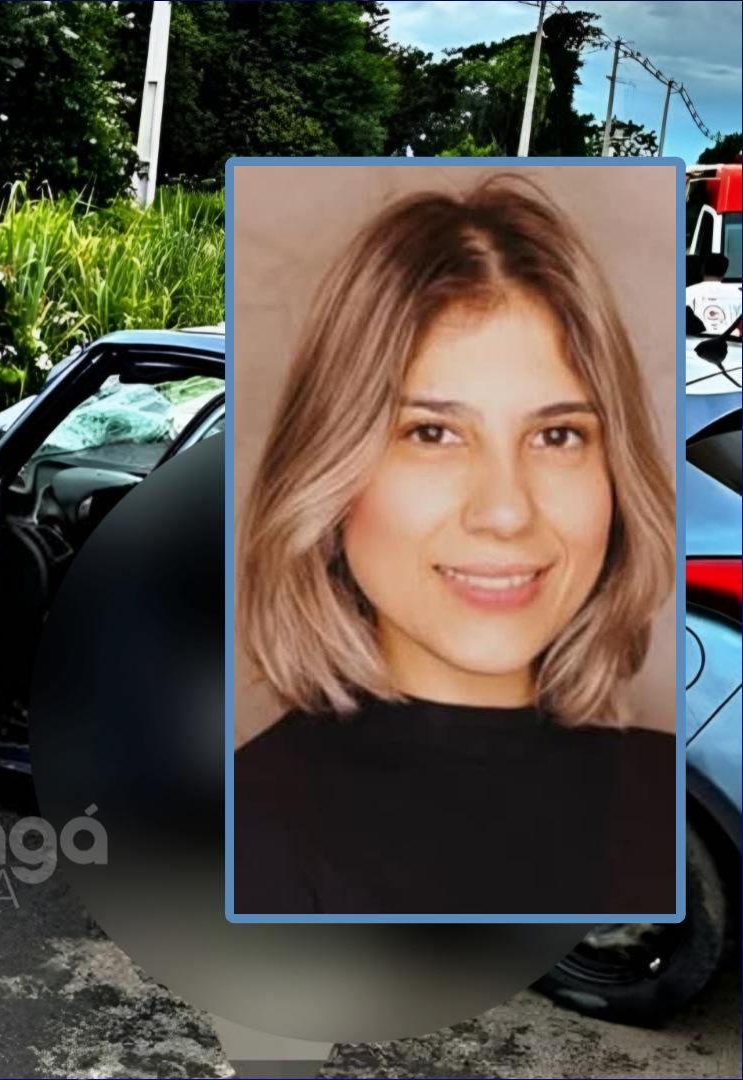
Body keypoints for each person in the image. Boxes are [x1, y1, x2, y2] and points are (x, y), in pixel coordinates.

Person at [234, 176, 677, 916]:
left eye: (557, 435)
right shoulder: (248, 829)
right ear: (330, 472)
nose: (505, 511)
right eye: (431, 433)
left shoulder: (666, 796)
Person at [686, 252, 742, 337]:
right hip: (730, 344)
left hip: (692, 344)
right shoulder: (738, 294)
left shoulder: (687, 292)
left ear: (702, 270)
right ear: (724, 272)